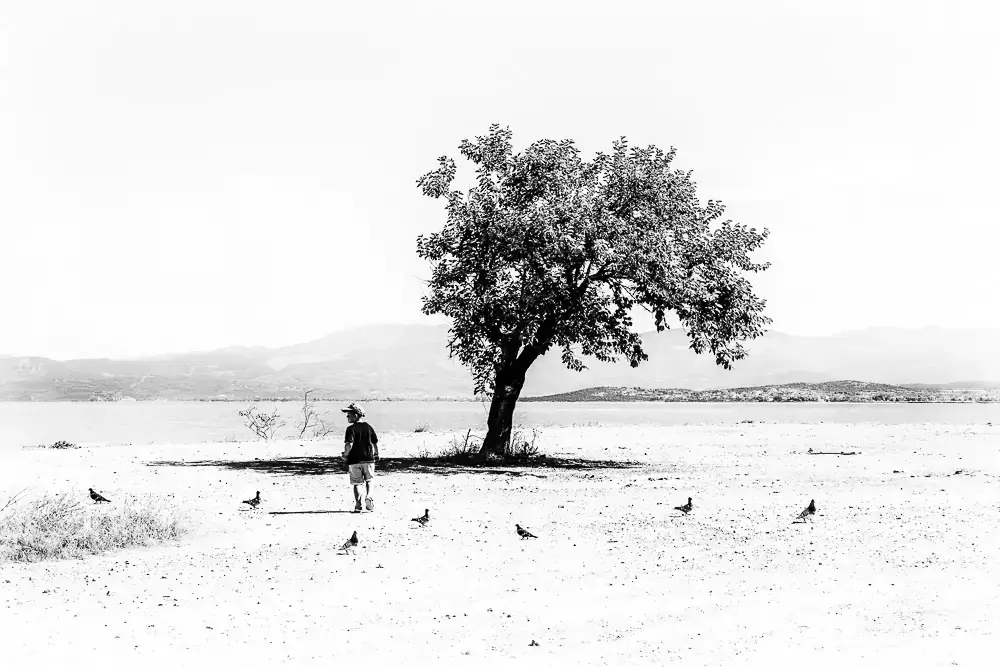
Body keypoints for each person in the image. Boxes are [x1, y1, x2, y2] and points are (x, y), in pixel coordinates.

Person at [340, 402, 379, 513]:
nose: (347, 417)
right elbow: (375, 443)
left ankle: (358, 506)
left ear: (356, 415)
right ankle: (369, 496)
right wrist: (376, 454)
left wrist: (345, 455)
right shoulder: (369, 427)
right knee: (369, 480)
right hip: (369, 459)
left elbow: (349, 444)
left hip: (354, 461)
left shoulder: (350, 429)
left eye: (349, 415)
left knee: (356, 483)